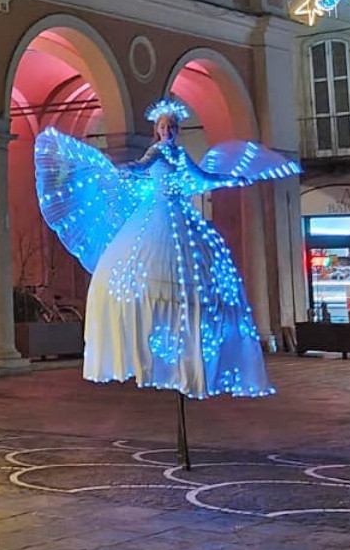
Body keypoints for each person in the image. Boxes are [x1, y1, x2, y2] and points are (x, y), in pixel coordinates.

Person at [31, 97, 297, 399]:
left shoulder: (181, 154)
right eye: (163, 127)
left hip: (182, 217)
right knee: (145, 275)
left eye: (172, 127)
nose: (167, 131)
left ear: (177, 130)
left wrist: (231, 178)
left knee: (194, 275)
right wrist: (122, 169)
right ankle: (153, 349)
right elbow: (141, 166)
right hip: (155, 217)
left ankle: (187, 355)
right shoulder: (157, 151)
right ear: (157, 131)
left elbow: (202, 177)